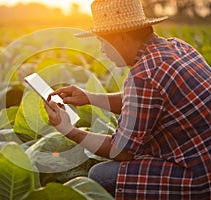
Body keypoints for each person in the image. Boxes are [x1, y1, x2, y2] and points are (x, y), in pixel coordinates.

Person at [44, 0, 211, 199]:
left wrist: (68, 130)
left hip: (197, 177)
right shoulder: (178, 47)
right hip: (203, 159)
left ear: (121, 37)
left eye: (103, 42)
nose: (102, 50)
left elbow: (121, 151)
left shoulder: (142, 74)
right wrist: (89, 98)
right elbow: (143, 102)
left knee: (100, 175)